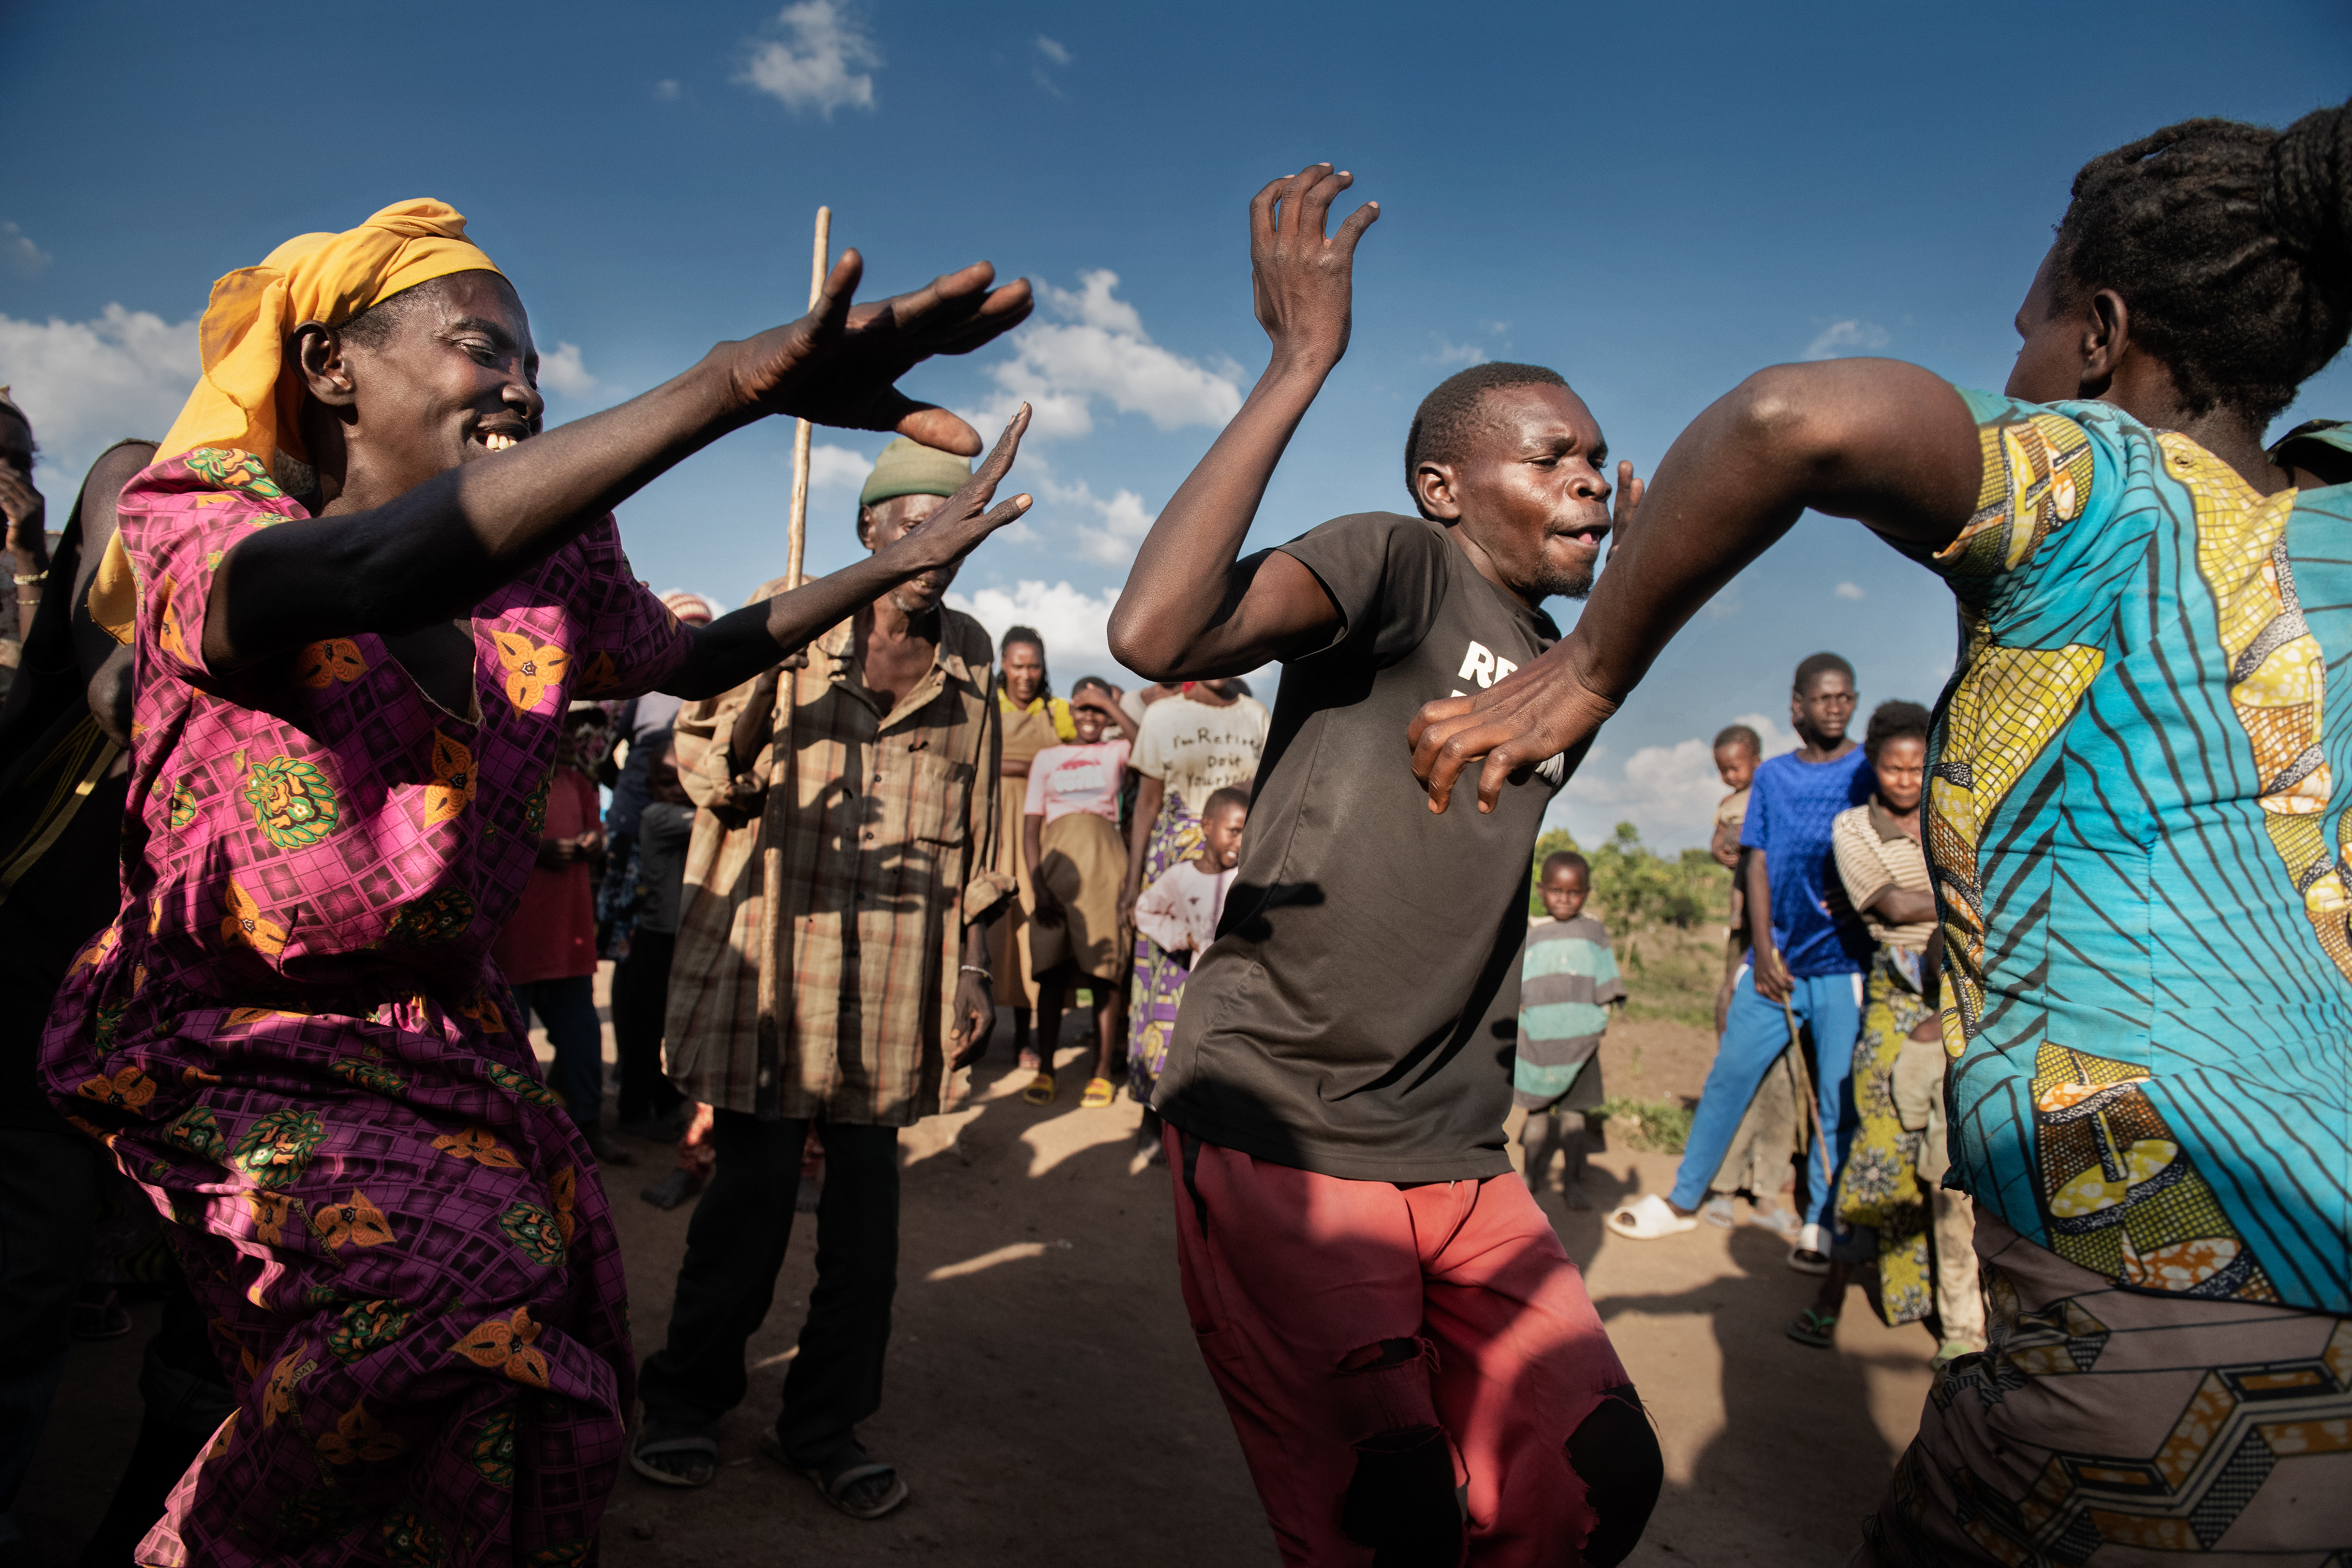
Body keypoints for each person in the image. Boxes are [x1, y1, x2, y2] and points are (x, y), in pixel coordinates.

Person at [1406, 102, 2352, 1564]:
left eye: (2030, 326)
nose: (2012, 366)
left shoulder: (2106, 483)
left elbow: (1793, 418)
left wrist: (1589, 661)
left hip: (2158, 1321)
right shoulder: (2333, 525)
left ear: (2100, 337)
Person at [38, 197, 1037, 1564]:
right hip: (236, 1042)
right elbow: (372, 563)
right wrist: (726, 388)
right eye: (478, 347)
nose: (520, 382)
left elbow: (685, 659)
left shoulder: (552, 567)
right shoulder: (204, 517)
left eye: (531, 357)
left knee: (535, 1344)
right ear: (332, 367)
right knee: (436, 1303)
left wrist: (887, 567)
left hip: (446, 1039)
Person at [1106, 163, 1659, 1565]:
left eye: (1596, 457)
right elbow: (1158, 631)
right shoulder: (1398, 563)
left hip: (1452, 1138)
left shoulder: (1567, 667)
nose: (1587, 476)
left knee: (1595, 1475)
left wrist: (1640, 605)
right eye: (1550, 456)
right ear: (1443, 485)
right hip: (1287, 1111)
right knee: (1392, 1506)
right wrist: (1298, 364)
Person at [636, 434, 1020, 1518]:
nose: (938, 544)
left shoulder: (975, 657)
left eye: (959, 526)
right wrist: (768, 667)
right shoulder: (785, 612)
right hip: (770, 973)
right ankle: (685, 1399)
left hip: (895, 984)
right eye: (915, 522)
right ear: (869, 531)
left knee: (865, 1223)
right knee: (748, 1203)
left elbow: (982, 839)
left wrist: (974, 974)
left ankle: (825, 1423)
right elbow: (707, 773)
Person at [1604, 654, 1871, 1269]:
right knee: (1728, 1078)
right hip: (1774, 965)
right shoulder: (1774, 777)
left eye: (1845, 697)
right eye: (1823, 698)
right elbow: (1756, 861)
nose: (1836, 707)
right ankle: (1683, 1199)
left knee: (1837, 1097)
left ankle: (1821, 1224)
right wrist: (1766, 950)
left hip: (1842, 968)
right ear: (1797, 705)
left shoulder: (1867, 771)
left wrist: (1862, 904)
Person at [1790, 701, 1982, 1361]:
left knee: (1950, 1157)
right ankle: (1831, 1302)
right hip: (1896, 998)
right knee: (1876, 1145)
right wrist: (1964, 896)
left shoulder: (1951, 818)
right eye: (1893, 767)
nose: (1905, 779)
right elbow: (1894, 906)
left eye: (1916, 766)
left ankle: (1956, 1314)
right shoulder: (1854, 829)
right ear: (1874, 765)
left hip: (1964, 993)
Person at [1120, 673, 1268, 1148]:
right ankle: (1152, 1110)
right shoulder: (1163, 716)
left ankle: (1208, 1116)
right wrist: (1131, 881)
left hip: (1235, 872)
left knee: (1228, 989)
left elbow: (1268, 801)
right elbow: (1146, 804)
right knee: (1163, 990)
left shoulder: (1256, 716)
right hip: (1175, 874)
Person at [492, 702, 628, 1164]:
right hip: (513, 944)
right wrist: (538, 850)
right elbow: (485, 841)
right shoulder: (502, 780)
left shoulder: (579, 782)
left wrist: (592, 842)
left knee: (583, 1040)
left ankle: (587, 1128)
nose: (571, 738)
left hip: (568, 940)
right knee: (509, 1048)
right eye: (564, 728)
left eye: (577, 730)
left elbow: (597, 835)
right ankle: (512, 1142)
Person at [1703, 722, 1803, 1238]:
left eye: (1737, 765)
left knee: (1783, 1074)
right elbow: (1724, 848)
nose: (1732, 776)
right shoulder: (1733, 807)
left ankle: (1767, 1188)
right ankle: (1723, 1184)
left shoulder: (1779, 797)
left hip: (1791, 944)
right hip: (1749, 942)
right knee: (1738, 1058)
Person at [1020, 677, 1134, 1107]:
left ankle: (1101, 1072)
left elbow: (1146, 747)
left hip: (1105, 866)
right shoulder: (1048, 758)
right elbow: (1031, 825)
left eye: (1098, 709)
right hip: (1056, 867)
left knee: (1105, 972)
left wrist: (1110, 702)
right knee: (1050, 971)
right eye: (1082, 708)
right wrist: (1037, 882)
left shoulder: (1117, 751)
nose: (1090, 717)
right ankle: (1047, 1070)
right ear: (1070, 713)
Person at [1515, 851, 1626, 1211]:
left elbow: (1608, 981)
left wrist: (1604, 1016)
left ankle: (1574, 1181)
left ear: (1587, 893)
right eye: (1556, 890)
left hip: (1581, 1045)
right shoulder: (1529, 933)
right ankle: (1530, 1178)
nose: (1564, 898)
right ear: (1542, 890)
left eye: (1574, 892)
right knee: (1536, 1113)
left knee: (1576, 1118)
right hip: (1537, 1042)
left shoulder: (1594, 932)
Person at [990, 624, 1074, 1069]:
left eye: (1034, 665)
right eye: (1017, 665)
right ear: (1002, 665)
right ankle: (974, 1026)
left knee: (1028, 941)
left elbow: (1076, 761)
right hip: (991, 832)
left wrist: (1012, 765)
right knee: (987, 931)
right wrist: (1038, 765)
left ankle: (1024, 1039)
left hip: (1037, 838)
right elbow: (975, 758)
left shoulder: (1058, 712)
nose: (1026, 674)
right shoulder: (986, 707)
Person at [611, 739, 696, 1143]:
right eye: (667, 782)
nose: (677, 789)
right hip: (657, 942)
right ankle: (633, 1111)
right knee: (644, 1030)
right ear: (651, 786)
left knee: (676, 1027)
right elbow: (710, 819)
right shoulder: (658, 816)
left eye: (684, 780)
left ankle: (666, 1107)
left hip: (681, 941)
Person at [1129, 783, 1246, 993]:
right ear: (1207, 826)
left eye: (1246, 835)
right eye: (1234, 832)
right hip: (1204, 986)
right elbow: (1144, 911)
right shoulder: (1180, 878)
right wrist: (1184, 936)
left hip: (1242, 984)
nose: (1240, 842)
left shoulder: (1244, 878)